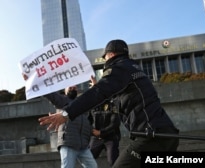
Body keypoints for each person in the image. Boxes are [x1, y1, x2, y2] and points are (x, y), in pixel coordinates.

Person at [39, 39, 179, 168]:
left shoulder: (119, 68)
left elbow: (99, 93)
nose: (104, 59)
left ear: (110, 55)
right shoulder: (133, 69)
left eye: (105, 56)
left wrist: (66, 113)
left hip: (151, 137)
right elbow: (109, 96)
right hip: (166, 134)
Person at [43, 86, 98, 168]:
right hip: (68, 144)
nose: (73, 88)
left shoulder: (81, 103)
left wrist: (91, 130)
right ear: (64, 90)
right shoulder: (62, 100)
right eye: (70, 87)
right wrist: (34, 82)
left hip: (83, 146)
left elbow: (85, 121)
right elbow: (49, 94)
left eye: (75, 87)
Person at [88, 97, 121, 167]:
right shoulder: (91, 105)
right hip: (96, 137)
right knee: (88, 159)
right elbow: (88, 121)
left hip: (111, 137)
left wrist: (101, 132)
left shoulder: (113, 104)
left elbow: (115, 122)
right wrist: (92, 130)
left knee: (113, 161)